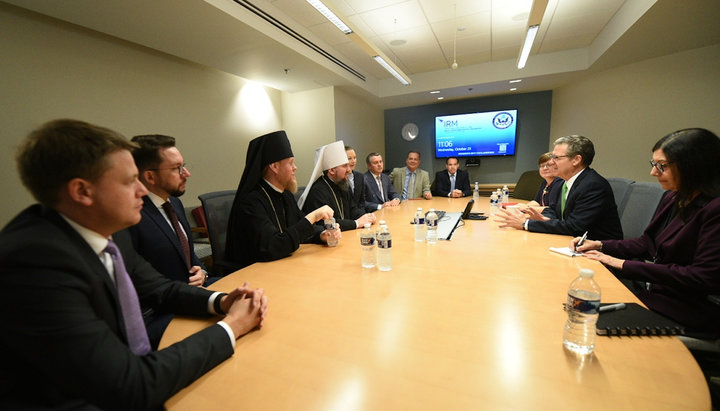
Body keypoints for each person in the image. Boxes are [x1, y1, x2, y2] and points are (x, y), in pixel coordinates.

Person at [0, 119, 267, 410]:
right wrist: (232, 327)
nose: (142, 190)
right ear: (82, 191)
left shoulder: (107, 232)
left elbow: (161, 289)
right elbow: (130, 386)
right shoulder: (35, 265)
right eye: (129, 181)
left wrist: (223, 302)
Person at [574, 128, 720, 336]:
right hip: (661, 296)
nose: (654, 172)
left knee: (583, 320)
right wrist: (600, 245)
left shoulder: (714, 208)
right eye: (654, 164)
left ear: (694, 166)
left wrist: (622, 264)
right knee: (577, 305)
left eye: (662, 166)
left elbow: (704, 277)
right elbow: (647, 243)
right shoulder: (674, 197)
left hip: (693, 310)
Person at [127, 134, 220, 349]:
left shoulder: (175, 204)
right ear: (150, 177)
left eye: (183, 166)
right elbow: (137, 283)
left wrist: (202, 271)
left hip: (196, 293)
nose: (186, 173)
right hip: (162, 312)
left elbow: (187, 253)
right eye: (176, 168)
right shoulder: (132, 216)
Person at [225, 130, 340, 270]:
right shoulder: (250, 202)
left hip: (283, 266)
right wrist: (313, 217)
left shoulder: (285, 195)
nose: (295, 168)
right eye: (291, 163)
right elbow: (273, 246)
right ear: (274, 167)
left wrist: (322, 235)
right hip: (253, 274)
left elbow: (298, 229)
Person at [496, 135, 623, 240]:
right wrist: (542, 218)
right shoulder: (565, 182)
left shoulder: (592, 185)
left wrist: (526, 223)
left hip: (599, 251)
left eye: (556, 158)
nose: (551, 162)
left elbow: (574, 227)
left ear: (576, 160)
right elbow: (554, 210)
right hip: (573, 242)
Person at [299, 141, 376, 231]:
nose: (349, 169)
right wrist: (356, 223)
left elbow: (353, 209)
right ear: (331, 170)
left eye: (348, 165)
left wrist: (366, 216)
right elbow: (325, 223)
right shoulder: (317, 191)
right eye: (344, 166)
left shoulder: (342, 183)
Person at [345, 145, 372, 213]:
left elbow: (362, 202)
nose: (353, 161)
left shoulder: (360, 176)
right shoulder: (340, 179)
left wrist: (362, 216)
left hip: (359, 215)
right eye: (349, 158)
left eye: (355, 157)